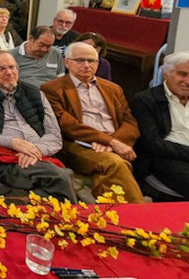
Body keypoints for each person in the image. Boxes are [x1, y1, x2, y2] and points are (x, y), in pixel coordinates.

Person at [40, 42, 144, 203]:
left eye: (92, 61)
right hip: (77, 144)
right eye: (80, 60)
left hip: (112, 143)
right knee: (115, 163)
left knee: (110, 170)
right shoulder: (52, 89)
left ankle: (111, 216)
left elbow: (129, 121)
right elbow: (67, 125)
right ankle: (138, 212)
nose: (87, 65)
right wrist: (109, 141)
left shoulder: (113, 88)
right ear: (67, 62)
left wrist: (113, 142)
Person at [0, 51, 78, 201]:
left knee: (57, 180)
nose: (9, 72)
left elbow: (54, 135)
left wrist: (35, 150)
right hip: (3, 158)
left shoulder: (35, 93)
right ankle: (72, 220)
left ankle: (27, 210)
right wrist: (14, 143)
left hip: (37, 156)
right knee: (61, 176)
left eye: (12, 67)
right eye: (1, 69)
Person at [131, 52, 189, 200]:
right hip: (170, 160)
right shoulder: (146, 100)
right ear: (166, 74)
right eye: (182, 74)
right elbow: (153, 143)